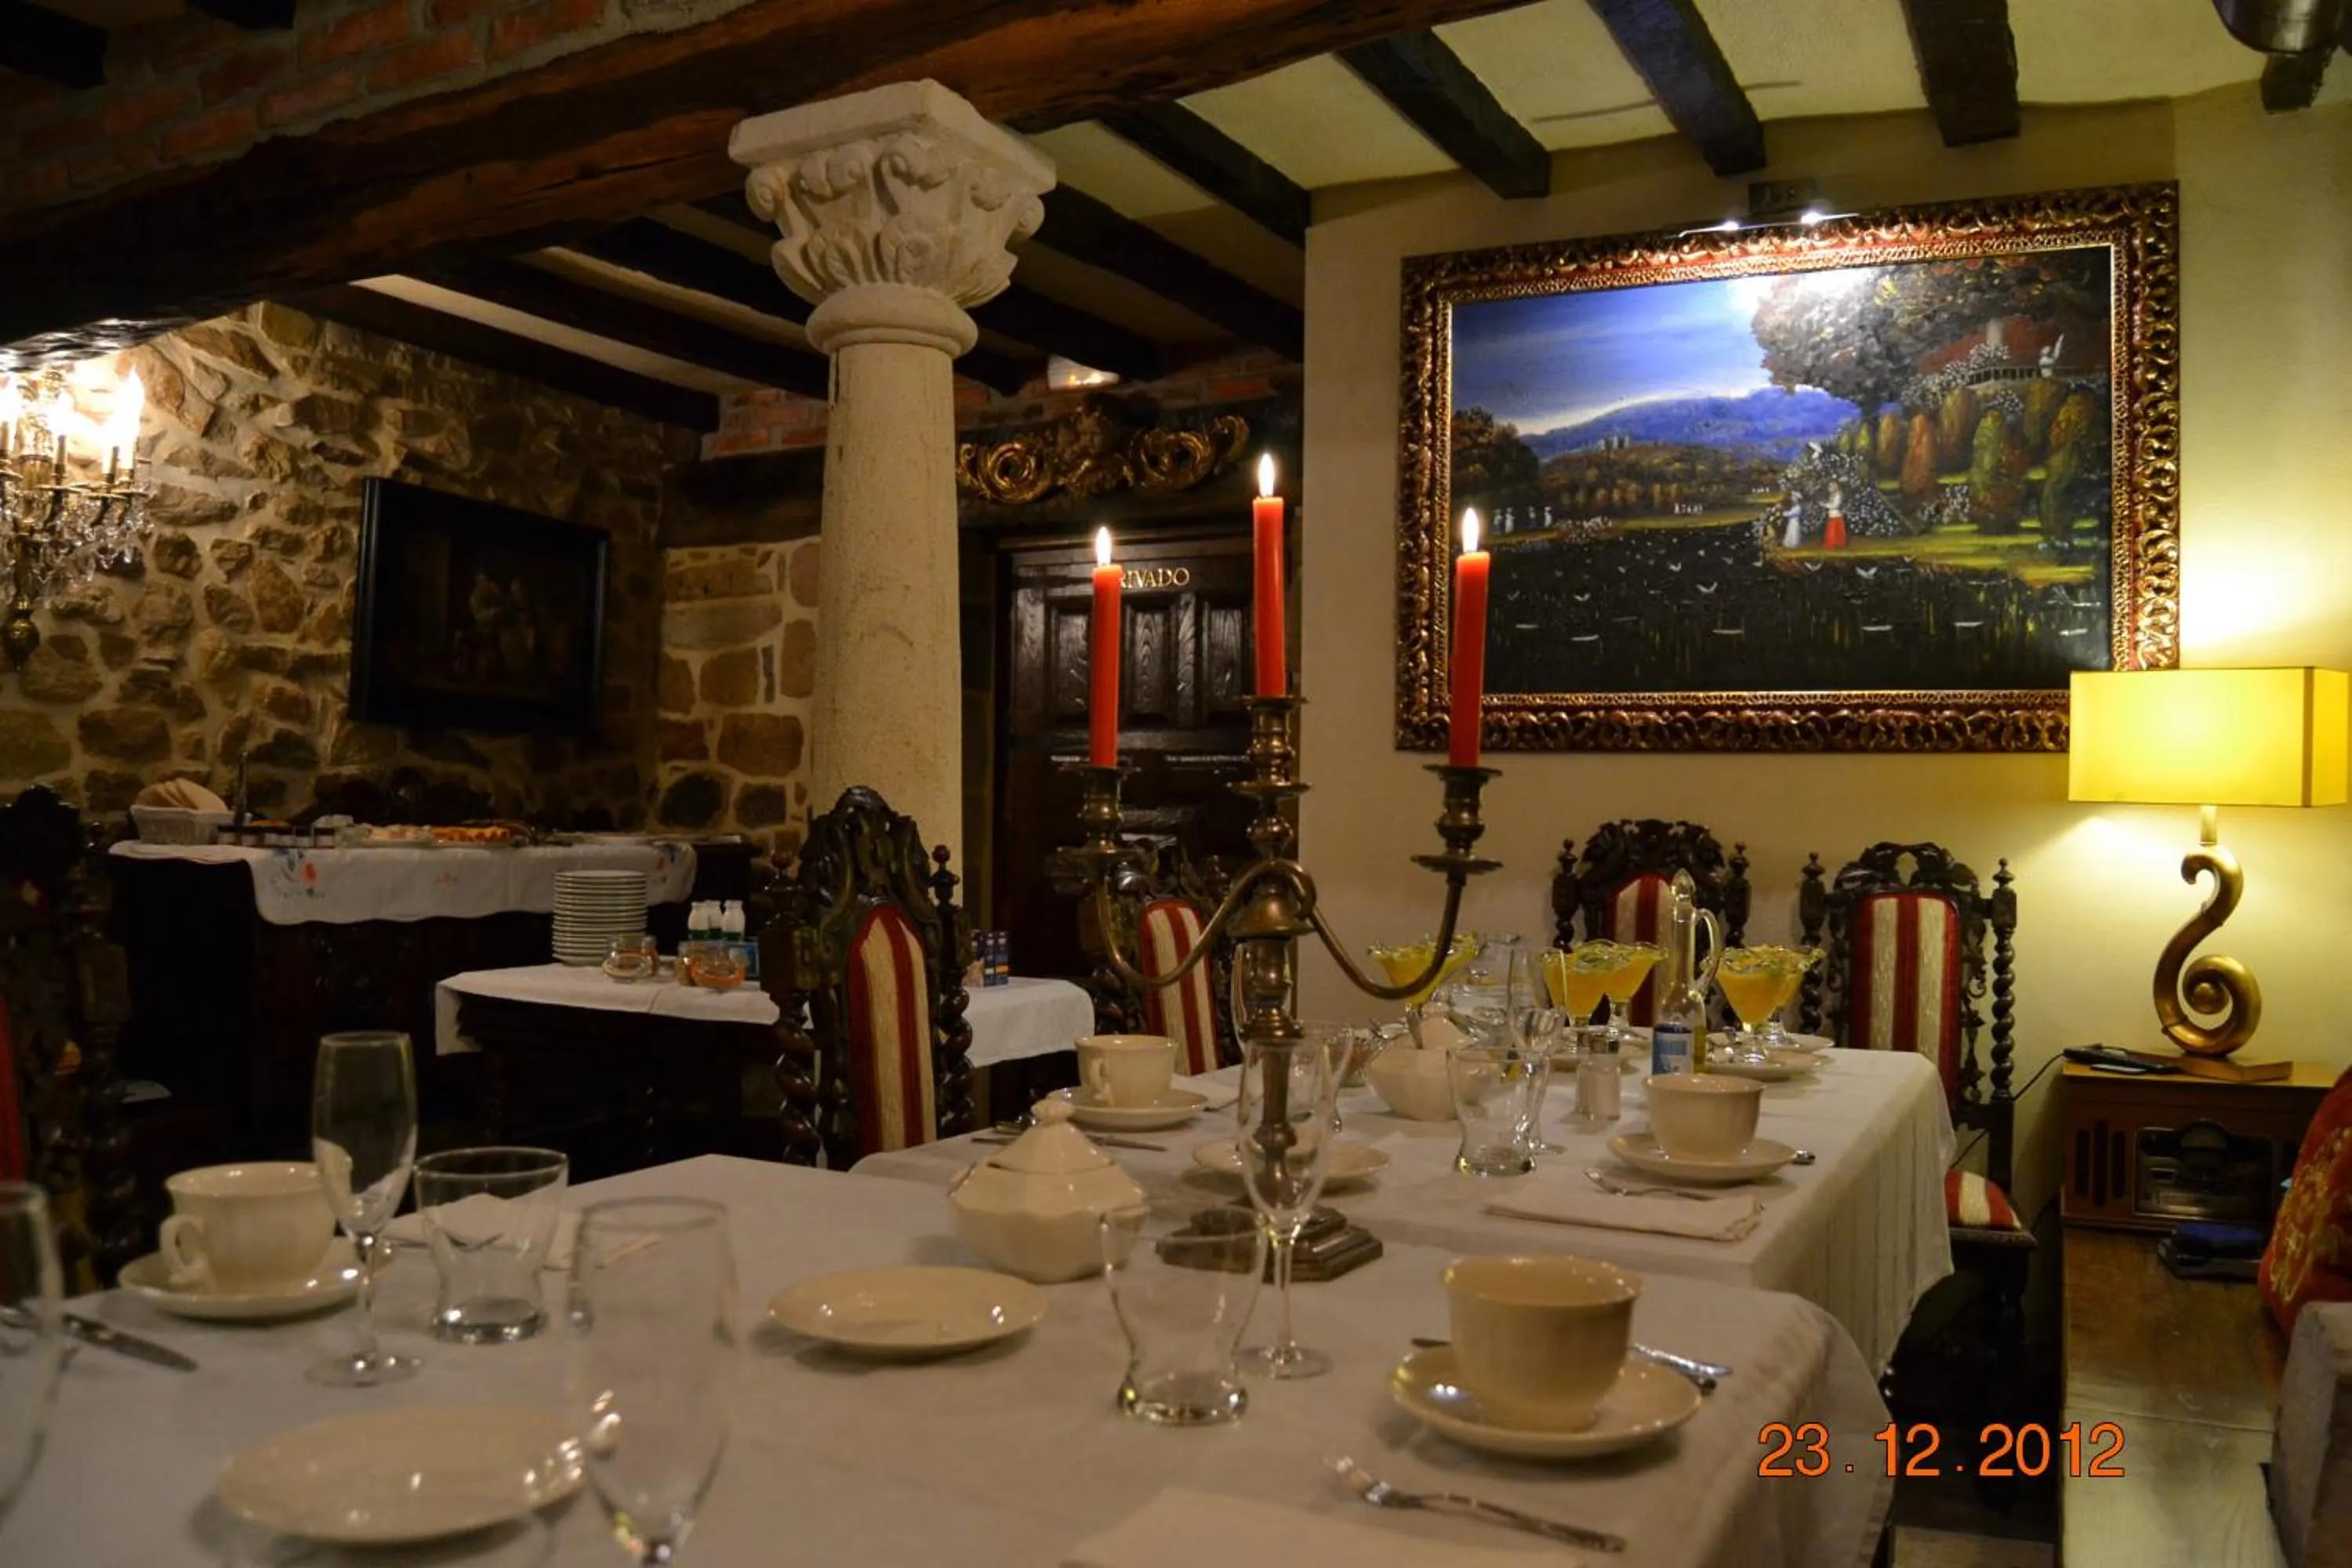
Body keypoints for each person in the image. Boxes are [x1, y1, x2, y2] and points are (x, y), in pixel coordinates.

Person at [1823, 481, 1849, 551]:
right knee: (1832, 530)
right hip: (1832, 514)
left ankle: (1836, 544)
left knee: (1834, 531)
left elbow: (1835, 506)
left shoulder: (1838, 495)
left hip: (1836, 515)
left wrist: (1825, 505)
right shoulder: (1833, 495)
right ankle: (1833, 544)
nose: (1829, 488)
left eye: (1830, 487)